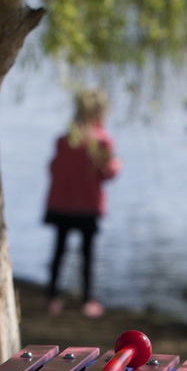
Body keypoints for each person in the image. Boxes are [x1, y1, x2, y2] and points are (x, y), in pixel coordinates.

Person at [43, 89, 121, 318]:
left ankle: (53, 297)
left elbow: (53, 169)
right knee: (87, 254)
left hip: (61, 204)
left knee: (59, 250)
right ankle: (87, 300)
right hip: (87, 206)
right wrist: (117, 164)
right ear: (99, 113)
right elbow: (106, 173)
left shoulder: (64, 139)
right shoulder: (102, 141)